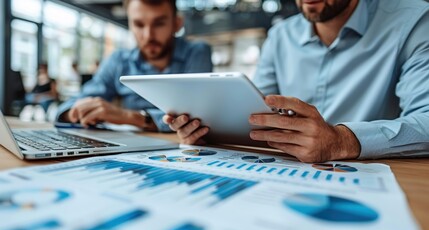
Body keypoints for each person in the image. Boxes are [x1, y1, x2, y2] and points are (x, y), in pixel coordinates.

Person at [164, 0, 429, 163]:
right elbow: (254, 117)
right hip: (293, 173)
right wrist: (207, 131)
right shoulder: (280, 35)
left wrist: (342, 141)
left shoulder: (413, 21)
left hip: (381, 177)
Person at [56, 0, 212, 131]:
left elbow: (197, 117)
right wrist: (77, 112)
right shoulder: (118, 60)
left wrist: (130, 117)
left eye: (159, 24)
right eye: (138, 24)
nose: (148, 35)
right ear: (129, 24)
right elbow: (69, 106)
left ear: (176, 24)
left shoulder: (197, 52)